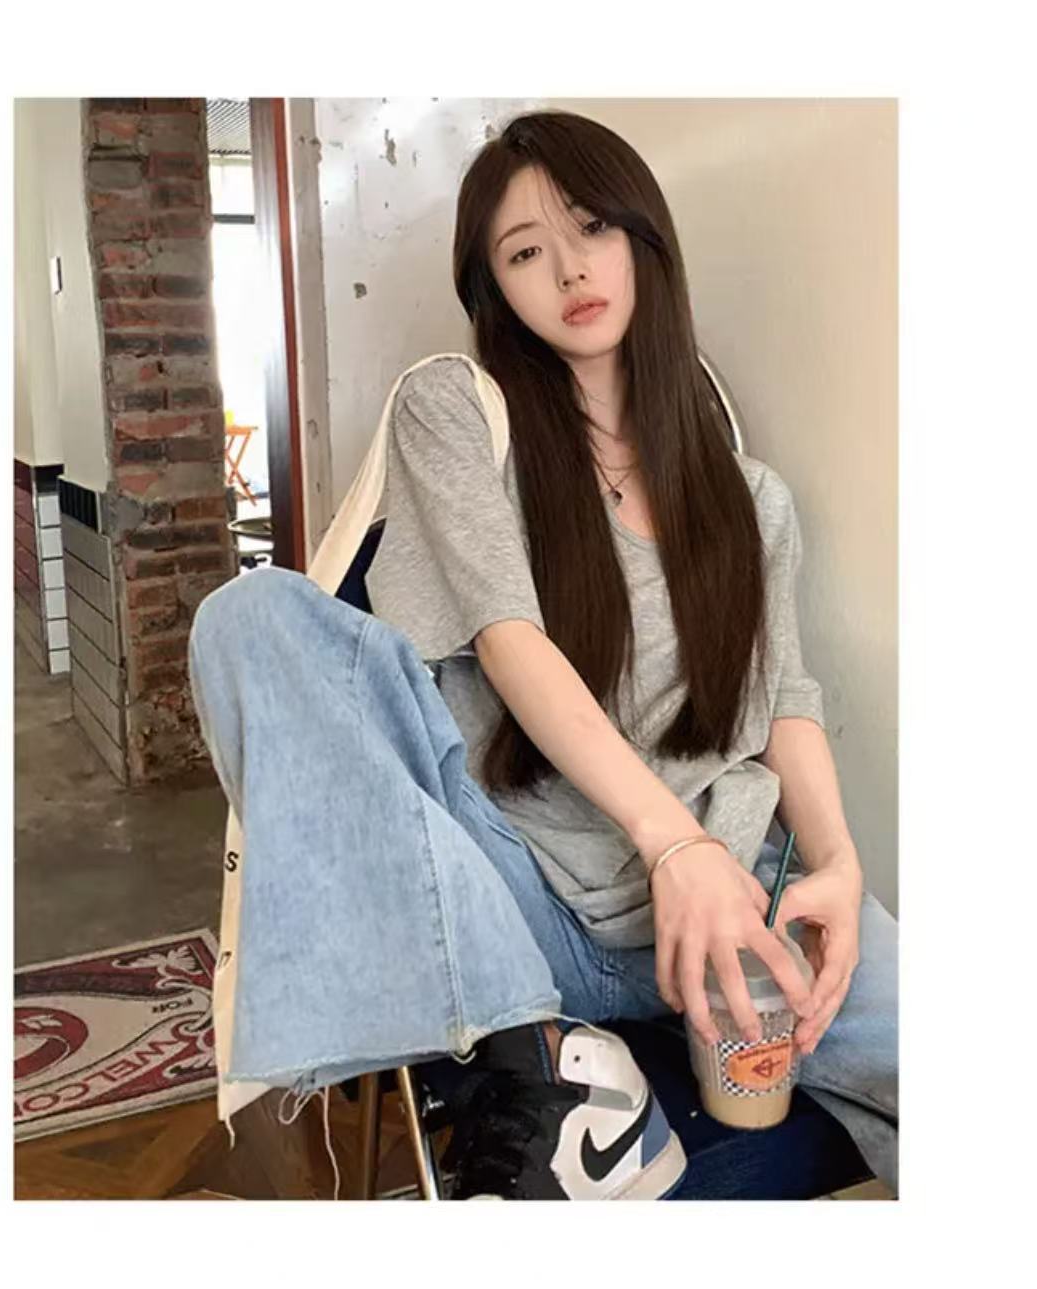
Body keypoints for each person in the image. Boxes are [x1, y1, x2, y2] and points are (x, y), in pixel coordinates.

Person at [187, 110, 897, 1200]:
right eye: (525, 252)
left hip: (730, 904)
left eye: (592, 228)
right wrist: (669, 844)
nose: (568, 270)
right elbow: (509, 641)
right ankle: (537, 1061)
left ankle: (566, 1069)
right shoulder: (455, 414)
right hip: (517, 906)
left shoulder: (752, 499)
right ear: (494, 287)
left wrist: (837, 865)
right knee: (251, 617)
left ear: (644, 238)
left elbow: (786, 696)